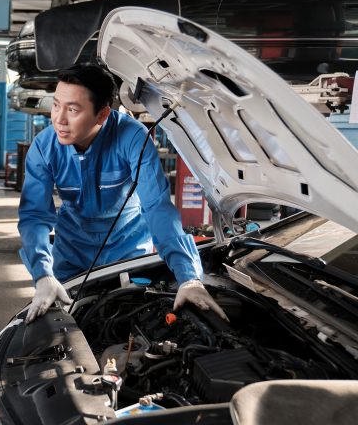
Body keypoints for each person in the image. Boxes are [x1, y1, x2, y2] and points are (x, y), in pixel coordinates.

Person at [18, 64, 227, 324]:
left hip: (128, 253)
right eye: (56, 105)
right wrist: (42, 274)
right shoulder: (44, 147)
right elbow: (35, 215)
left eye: (72, 110)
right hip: (71, 254)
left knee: (129, 324)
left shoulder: (133, 138)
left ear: (102, 114)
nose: (59, 119)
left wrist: (189, 278)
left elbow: (157, 206)